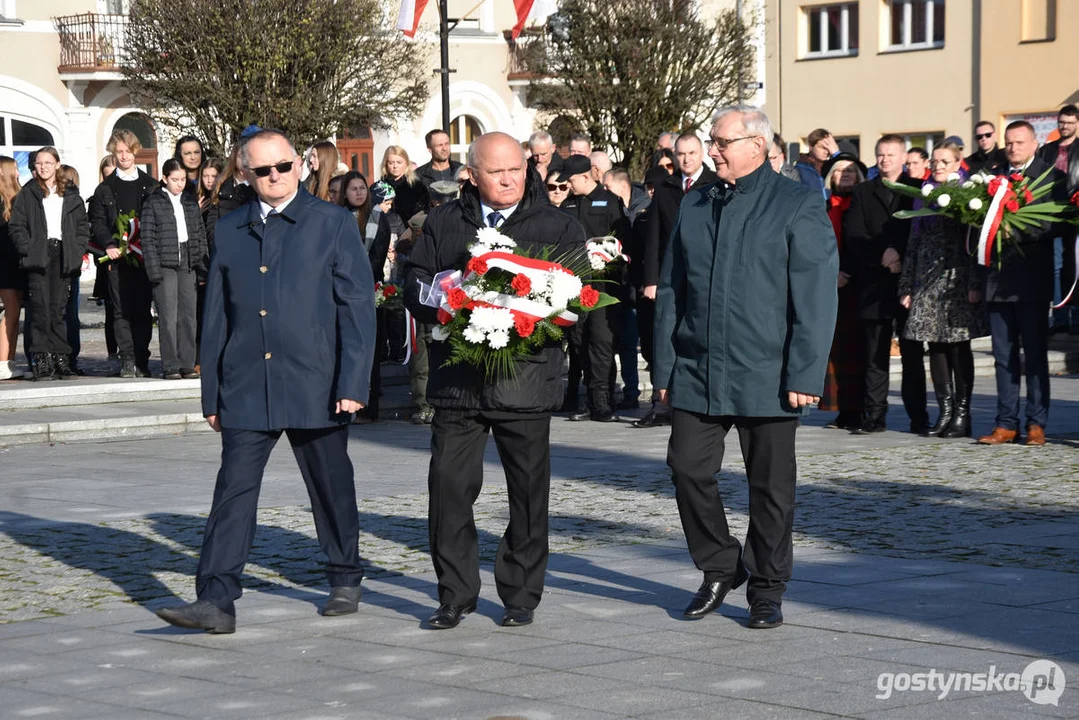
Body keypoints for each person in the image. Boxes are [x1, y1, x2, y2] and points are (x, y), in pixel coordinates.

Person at [155, 129, 376, 634]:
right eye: (262, 170)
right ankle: (215, 598)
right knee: (233, 490)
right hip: (247, 381)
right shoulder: (230, 227)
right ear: (245, 174)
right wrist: (211, 391)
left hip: (316, 380)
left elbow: (358, 310)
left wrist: (353, 383)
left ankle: (344, 573)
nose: (274, 177)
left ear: (300, 165)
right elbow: (217, 315)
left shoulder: (334, 223)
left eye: (282, 166)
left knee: (330, 484)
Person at [654, 106, 837, 630]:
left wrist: (806, 373)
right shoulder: (696, 202)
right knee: (687, 467)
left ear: (756, 146)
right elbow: (672, 291)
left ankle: (766, 589)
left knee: (771, 488)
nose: (712, 150)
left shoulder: (797, 203)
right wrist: (663, 368)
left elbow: (816, 294)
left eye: (720, 142)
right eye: (712, 141)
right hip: (697, 367)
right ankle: (720, 564)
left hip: (768, 372)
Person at [403, 132, 586, 630]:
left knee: (527, 494)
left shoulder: (558, 224)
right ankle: (455, 594)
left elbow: (579, 298)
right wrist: (444, 295)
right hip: (458, 381)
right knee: (448, 488)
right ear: (472, 174)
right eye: (496, 171)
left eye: (516, 169)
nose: (508, 179)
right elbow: (414, 281)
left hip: (525, 381)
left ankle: (521, 594)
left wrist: (542, 315)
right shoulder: (445, 221)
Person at [977, 121, 1064, 447]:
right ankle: (1006, 423)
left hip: (1031, 280)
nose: (1014, 148)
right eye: (1009, 142)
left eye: (1020, 142)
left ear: (1034, 143)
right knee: (1003, 356)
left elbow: (1055, 221)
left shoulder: (1050, 177)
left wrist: (1018, 230)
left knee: (1036, 355)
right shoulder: (991, 177)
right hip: (997, 282)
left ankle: (1036, 423)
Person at [898, 143, 986, 439]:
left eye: (944, 161)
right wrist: (907, 285)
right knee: (934, 345)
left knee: (958, 345)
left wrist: (975, 283)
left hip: (957, 278)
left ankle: (963, 413)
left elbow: (975, 244)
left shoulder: (969, 193)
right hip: (927, 279)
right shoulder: (922, 194)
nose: (937, 166)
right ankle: (945, 411)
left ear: (958, 163)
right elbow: (913, 242)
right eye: (934, 161)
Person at [843, 134, 928, 434]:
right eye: (880, 154)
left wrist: (900, 253)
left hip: (908, 283)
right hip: (873, 282)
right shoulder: (864, 191)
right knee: (875, 354)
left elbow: (922, 229)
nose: (885, 160)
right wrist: (883, 255)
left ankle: (919, 416)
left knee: (913, 354)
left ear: (904, 157)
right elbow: (854, 234)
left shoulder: (918, 190)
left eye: (891, 154)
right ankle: (874, 415)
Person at [637, 133, 717, 428]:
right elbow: (654, 235)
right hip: (670, 272)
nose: (686, 159)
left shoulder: (714, 184)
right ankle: (663, 401)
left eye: (692, 153)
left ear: (701, 153)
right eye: (681, 154)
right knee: (665, 333)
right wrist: (651, 279)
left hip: (702, 271)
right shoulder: (666, 187)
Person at [558, 154, 631, 422]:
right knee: (579, 341)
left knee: (601, 340)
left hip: (603, 285)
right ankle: (590, 398)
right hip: (575, 284)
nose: (568, 185)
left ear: (586, 176)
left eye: (572, 180)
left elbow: (623, 241)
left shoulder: (610, 202)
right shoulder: (568, 205)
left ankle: (602, 400)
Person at [9, 147, 89, 381]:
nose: (43, 167)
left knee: (59, 309)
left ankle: (61, 358)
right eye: (39, 164)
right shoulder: (28, 193)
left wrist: (78, 249)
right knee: (40, 309)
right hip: (39, 255)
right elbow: (17, 226)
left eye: (48, 162)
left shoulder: (70, 194)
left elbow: (82, 226)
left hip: (63, 254)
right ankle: (41, 358)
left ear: (56, 164)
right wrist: (28, 248)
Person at [89, 129, 160, 378]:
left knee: (142, 309)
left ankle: (142, 357)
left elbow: (157, 220)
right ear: (113, 153)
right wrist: (108, 243)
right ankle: (127, 359)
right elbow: (96, 221)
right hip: (116, 259)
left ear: (135, 151)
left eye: (127, 151)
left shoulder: (151, 186)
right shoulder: (105, 189)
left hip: (143, 257)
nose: (123, 156)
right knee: (120, 311)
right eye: (118, 152)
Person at [141, 158, 209, 380]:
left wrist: (201, 265)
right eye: (175, 179)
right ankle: (170, 364)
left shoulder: (189, 202)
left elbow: (199, 234)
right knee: (168, 316)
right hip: (165, 263)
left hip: (187, 263)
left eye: (182, 179)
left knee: (189, 316)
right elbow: (148, 238)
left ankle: (187, 363)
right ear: (164, 179)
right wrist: (153, 270)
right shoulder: (154, 202)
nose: (179, 183)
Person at [403, 179, 458, 426]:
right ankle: (424, 403)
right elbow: (405, 244)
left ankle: (439, 401)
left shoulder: (464, 219)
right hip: (429, 294)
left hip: (455, 296)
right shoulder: (419, 222)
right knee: (421, 351)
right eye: (438, 201)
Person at [819, 152, 867, 429]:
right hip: (832, 286)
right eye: (839, 171)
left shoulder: (863, 204)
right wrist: (831, 273)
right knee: (837, 353)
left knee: (860, 352)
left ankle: (863, 409)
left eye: (850, 171)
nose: (845, 175)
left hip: (860, 285)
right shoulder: (824, 208)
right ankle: (843, 410)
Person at [338, 170, 390, 424]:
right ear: (345, 193)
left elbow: (378, 255)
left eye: (362, 188)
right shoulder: (338, 218)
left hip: (370, 288)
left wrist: (359, 279)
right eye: (353, 188)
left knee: (370, 350)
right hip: (341, 288)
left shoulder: (379, 217)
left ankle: (370, 408)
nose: (359, 193)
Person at [1037, 104, 1079, 334]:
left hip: (1075, 214)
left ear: (1077, 124)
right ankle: (1060, 317)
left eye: (1069, 123)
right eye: (1061, 122)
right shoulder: (1047, 151)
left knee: (1076, 265)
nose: (1064, 126)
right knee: (1055, 267)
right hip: (1051, 215)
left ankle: (1077, 317)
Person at [0, 156, 25, 379]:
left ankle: (9, 360)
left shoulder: (18, 196)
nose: (18, 171)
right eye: (15, 168)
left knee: (15, 314)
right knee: (11, 312)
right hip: (4, 262)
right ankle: (2, 361)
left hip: (16, 262)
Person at [206, 141, 257, 250]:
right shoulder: (222, 186)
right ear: (234, 157)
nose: (244, 160)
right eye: (241, 156)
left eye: (248, 155)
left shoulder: (259, 187)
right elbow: (212, 224)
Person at [173, 135, 205, 200]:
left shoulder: (211, 180)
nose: (193, 157)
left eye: (196, 152)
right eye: (187, 153)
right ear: (179, 156)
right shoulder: (171, 184)